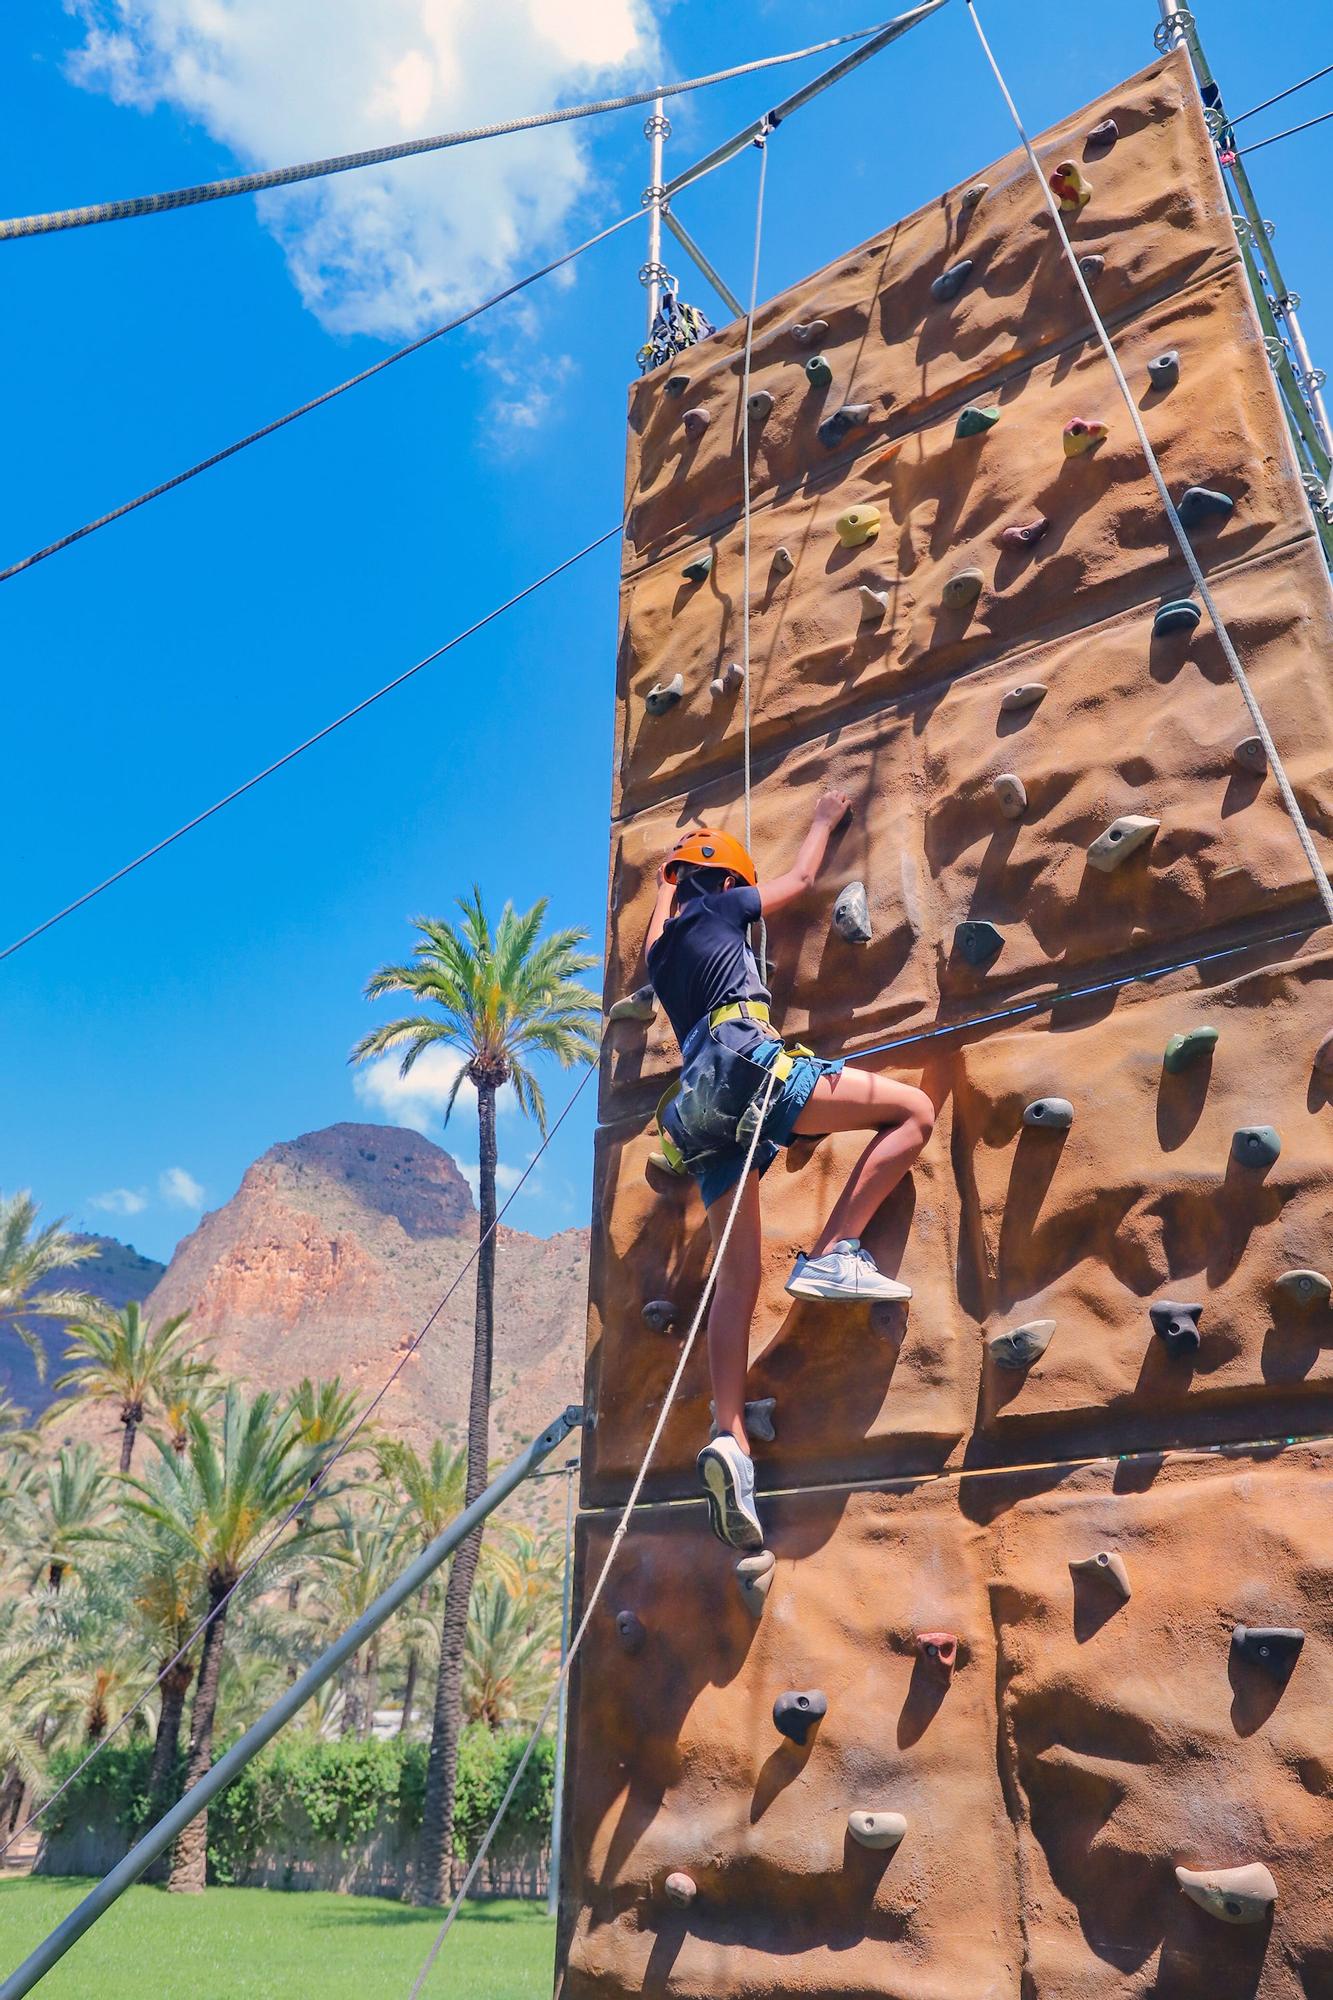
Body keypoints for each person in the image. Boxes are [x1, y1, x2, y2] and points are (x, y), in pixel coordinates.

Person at [643, 793, 937, 1552]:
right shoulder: (721, 907)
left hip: (695, 1104)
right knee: (911, 1114)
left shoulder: (662, 946)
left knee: (734, 1279)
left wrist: (667, 878)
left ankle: (729, 1436)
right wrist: (822, 820)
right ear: (720, 882)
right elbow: (800, 881)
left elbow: (658, 912)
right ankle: (837, 1249)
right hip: (747, 1062)